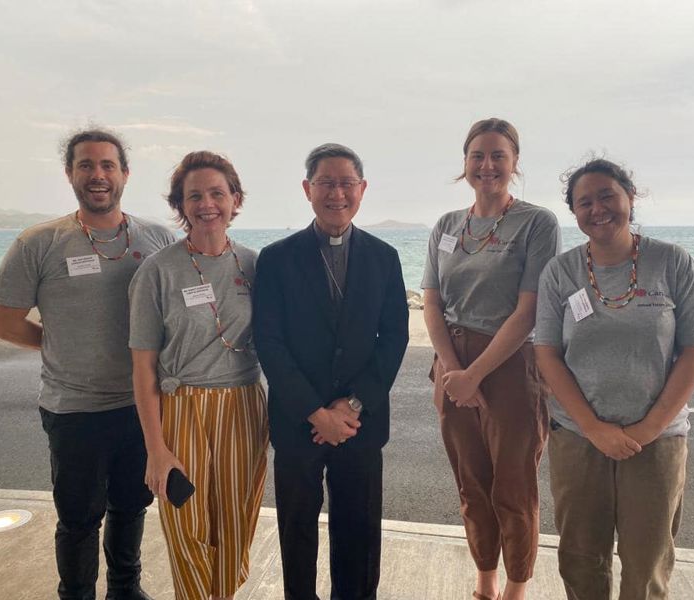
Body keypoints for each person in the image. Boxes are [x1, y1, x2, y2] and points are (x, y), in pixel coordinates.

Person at [0, 128, 176, 600]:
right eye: (86, 165)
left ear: (125, 174)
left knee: (132, 506)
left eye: (107, 165)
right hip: (73, 410)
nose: (98, 175)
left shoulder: (156, 237)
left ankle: (125, 590)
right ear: (70, 174)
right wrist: (60, 347)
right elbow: (4, 323)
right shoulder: (39, 242)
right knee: (77, 518)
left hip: (140, 406)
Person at [534, 158, 694, 600]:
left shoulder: (674, 264)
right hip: (577, 437)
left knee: (646, 562)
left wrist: (646, 429)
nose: (597, 208)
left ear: (630, 197)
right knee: (579, 558)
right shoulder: (560, 272)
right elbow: (548, 355)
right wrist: (594, 429)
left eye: (607, 195)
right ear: (573, 212)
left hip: (656, 441)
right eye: (584, 202)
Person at [252, 143, 409, 600]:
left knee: (359, 531)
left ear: (362, 190)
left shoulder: (384, 257)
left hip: (361, 422)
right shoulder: (277, 258)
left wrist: (350, 405)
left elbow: (393, 338)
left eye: (346, 183)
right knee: (296, 529)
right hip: (298, 422)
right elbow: (270, 342)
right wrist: (316, 412)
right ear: (307, 189)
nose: (336, 193)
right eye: (326, 182)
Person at [422, 118, 560, 600]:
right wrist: (452, 370)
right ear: (464, 163)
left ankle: (516, 589)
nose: (487, 165)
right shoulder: (446, 226)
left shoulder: (536, 223)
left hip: (510, 365)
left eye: (498, 155)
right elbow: (433, 303)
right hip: (452, 361)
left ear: (515, 163)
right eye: (478, 155)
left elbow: (529, 310)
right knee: (471, 483)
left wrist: (475, 374)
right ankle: (484, 583)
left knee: (514, 486)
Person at [128, 151, 268, 600]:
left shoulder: (255, 264)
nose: (207, 203)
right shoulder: (158, 271)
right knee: (183, 516)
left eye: (216, 193)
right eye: (194, 196)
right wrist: (155, 449)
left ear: (235, 199)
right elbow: (143, 365)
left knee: (235, 517)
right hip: (182, 405)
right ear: (180, 205)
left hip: (244, 404)